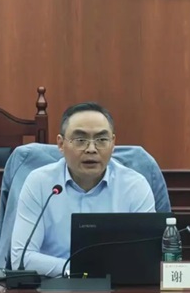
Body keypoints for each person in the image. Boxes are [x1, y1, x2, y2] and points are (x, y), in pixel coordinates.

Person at [11, 101, 155, 276]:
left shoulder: (134, 186)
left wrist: (87, 271)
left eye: (101, 140)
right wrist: (81, 271)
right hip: (52, 287)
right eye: (80, 140)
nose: (91, 149)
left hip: (117, 287)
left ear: (113, 143)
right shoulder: (40, 183)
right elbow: (21, 259)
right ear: (61, 144)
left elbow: (146, 257)